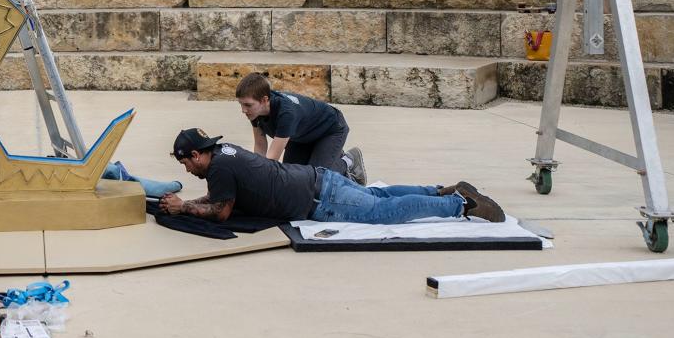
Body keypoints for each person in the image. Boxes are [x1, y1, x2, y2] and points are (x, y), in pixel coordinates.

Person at [158, 128, 505, 225]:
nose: (187, 170)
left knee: (384, 212)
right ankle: (440, 190)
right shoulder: (225, 153)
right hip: (317, 178)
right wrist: (189, 202)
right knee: (382, 197)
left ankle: (461, 205)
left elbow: (221, 211)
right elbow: (220, 198)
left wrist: (184, 208)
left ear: (195, 154)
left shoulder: (217, 168)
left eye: (185, 163)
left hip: (320, 201)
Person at [236, 72, 366, 184]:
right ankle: (327, 158)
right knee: (292, 179)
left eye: (248, 105)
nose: (243, 110)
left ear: (264, 100)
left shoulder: (286, 113)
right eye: (241, 104)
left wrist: (254, 179)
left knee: (315, 179)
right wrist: (255, 170)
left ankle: (348, 161)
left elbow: (271, 159)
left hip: (330, 130)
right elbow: (260, 145)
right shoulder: (255, 112)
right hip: (301, 137)